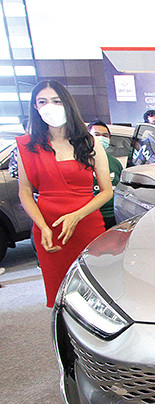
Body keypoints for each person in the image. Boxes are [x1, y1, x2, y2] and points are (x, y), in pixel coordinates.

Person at [16, 80, 112, 307]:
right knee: (59, 291)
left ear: (67, 104)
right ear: (35, 107)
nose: (49, 106)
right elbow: (25, 192)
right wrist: (42, 226)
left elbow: (106, 191)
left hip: (86, 224)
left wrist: (77, 215)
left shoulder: (89, 142)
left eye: (56, 101)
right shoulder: (27, 146)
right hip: (48, 227)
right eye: (42, 102)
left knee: (95, 290)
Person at [88, 121, 123, 229]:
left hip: (113, 215)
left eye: (105, 135)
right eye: (97, 135)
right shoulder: (81, 162)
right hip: (91, 214)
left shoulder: (115, 163)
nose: (101, 138)